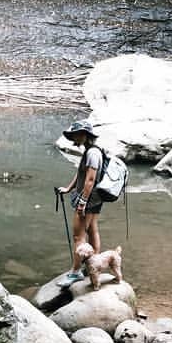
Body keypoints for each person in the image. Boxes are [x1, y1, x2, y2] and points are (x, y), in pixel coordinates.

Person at [58, 120, 106, 283]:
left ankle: (76, 272)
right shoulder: (91, 151)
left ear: (85, 135)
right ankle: (94, 264)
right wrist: (69, 188)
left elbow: (90, 179)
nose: (74, 138)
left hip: (89, 199)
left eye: (77, 135)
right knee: (92, 231)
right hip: (95, 199)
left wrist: (82, 202)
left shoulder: (92, 153)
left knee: (78, 236)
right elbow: (81, 174)